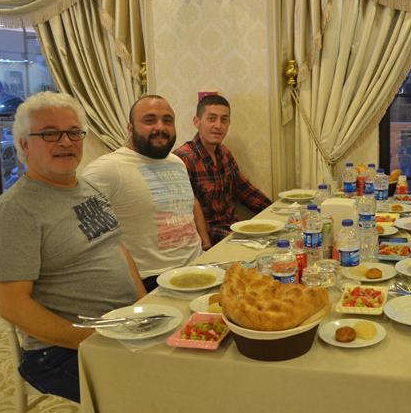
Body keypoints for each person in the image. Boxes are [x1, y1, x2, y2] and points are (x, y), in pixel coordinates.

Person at [0, 92, 145, 403]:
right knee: (156, 394)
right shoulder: (14, 212)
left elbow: (117, 248)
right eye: (50, 134)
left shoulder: (88, 188)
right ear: (24, 145)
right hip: (58, 352)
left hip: (121, 327)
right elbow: (12, 307)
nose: (66, 142)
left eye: (73, 132)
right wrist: (94, 339)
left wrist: (142, 307)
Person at [83, 95, 211, 292]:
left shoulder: (177, 162)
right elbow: (86, 238)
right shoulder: (106, 169)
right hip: (151, 280)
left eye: (167, 120)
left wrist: (205, 247)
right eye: (149, 120)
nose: (160, 127)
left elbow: (188, 209)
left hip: (198, 265)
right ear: (130, 128)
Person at [174, 94, 272, 244]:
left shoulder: (224, 153)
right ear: (197, 121)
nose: (218, 125)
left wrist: (275, 212)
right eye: (211, 119)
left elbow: (246, 191)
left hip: (233, 231)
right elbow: (186, 218)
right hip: (208, 240)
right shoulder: (183, 159)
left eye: (224, 120)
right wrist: (238, 238)